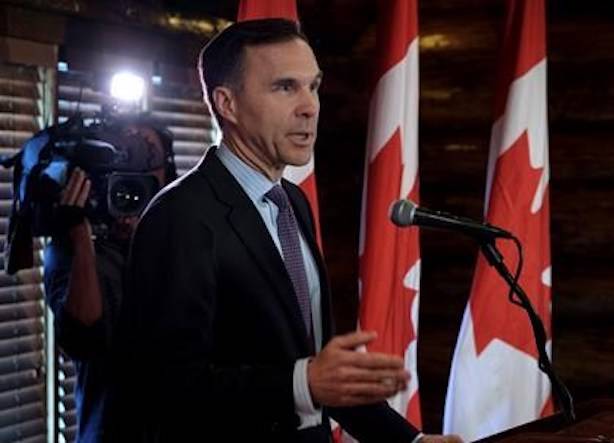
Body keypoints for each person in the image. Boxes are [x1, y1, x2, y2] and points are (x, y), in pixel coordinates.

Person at [110, 19, 462, 443]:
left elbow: (321, 370)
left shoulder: (292, 202)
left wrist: (410, 441)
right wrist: (302, 383)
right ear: (228, 104)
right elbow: (164, 389)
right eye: (285, 87)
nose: (310, 106)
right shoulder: (179, 217)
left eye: (313, 86)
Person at [43, 119, 176, 443]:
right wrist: (79, 237)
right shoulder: (75, 247)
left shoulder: (178, 238)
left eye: (148, 156)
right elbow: (82, 339)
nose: (137, 167)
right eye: (125, 155)